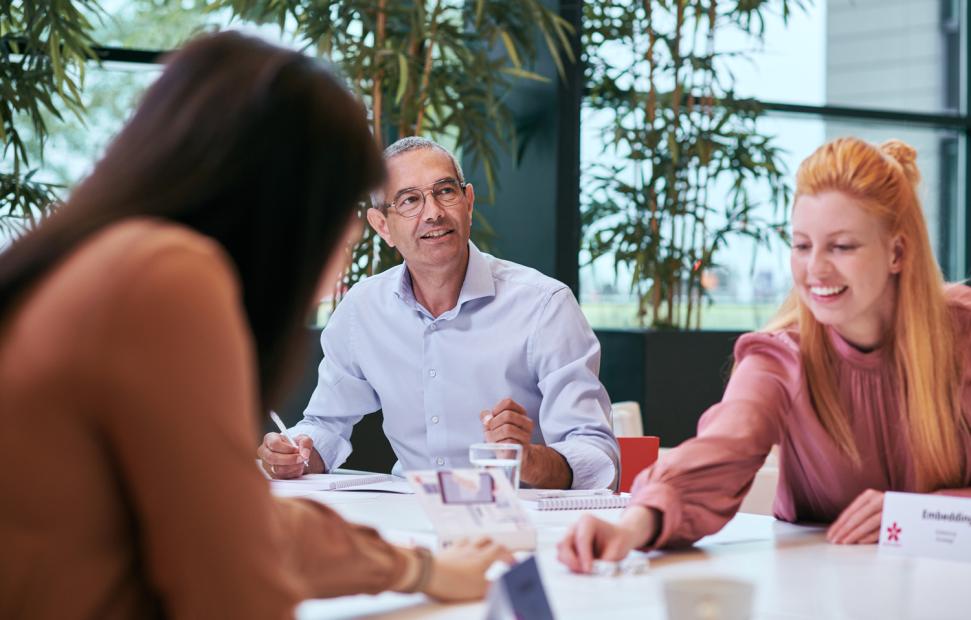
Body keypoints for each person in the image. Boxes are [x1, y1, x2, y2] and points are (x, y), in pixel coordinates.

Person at [0, 32, 512, 619]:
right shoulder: (168, 280)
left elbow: (232, 516)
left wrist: (422, 570)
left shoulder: (96, 263)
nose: (345, 240)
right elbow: (234, 581)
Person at [557, 137, 971, 572]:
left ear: (897, 252)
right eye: (802, 245)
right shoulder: (780, 357)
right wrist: (629, 529)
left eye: (842, 246)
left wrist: (913, 516)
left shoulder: (961, 335)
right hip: (825, 592)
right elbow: (717, 456)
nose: (816, 270)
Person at [258, 137, 619, 490]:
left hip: (520, 521)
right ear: (382, 225)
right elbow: (325, 424)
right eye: (409, 200)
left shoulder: (544, 305)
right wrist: (297, 451)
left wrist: (531, 461)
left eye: (445, 192)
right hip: (411, 515)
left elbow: (598, 455)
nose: (433, 213)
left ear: (469, 202)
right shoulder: (362, 310)